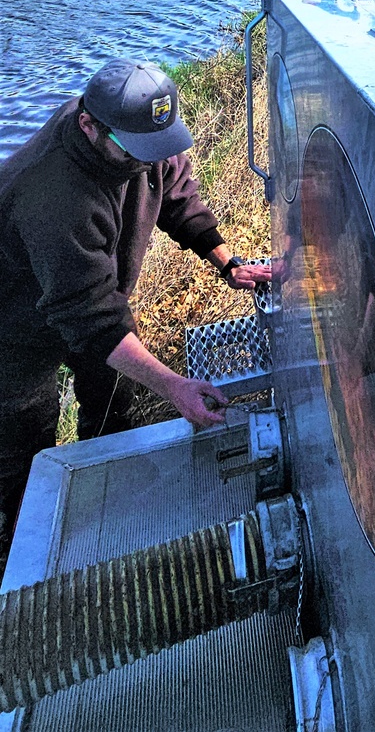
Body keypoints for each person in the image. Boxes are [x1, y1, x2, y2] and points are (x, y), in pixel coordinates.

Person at [0, 58, 271, 562]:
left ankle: (107, 512)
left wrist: (228, 262)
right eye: (140, 152)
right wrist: (174, 386)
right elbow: (91, 317)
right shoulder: (52, 194)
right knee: (26, 446)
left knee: (112, 400)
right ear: (89, 127)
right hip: (14, 327)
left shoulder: (144, 136)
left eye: (160, 146)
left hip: (90, 300)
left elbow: (177, 198)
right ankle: (23, 556)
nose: (152, 162)